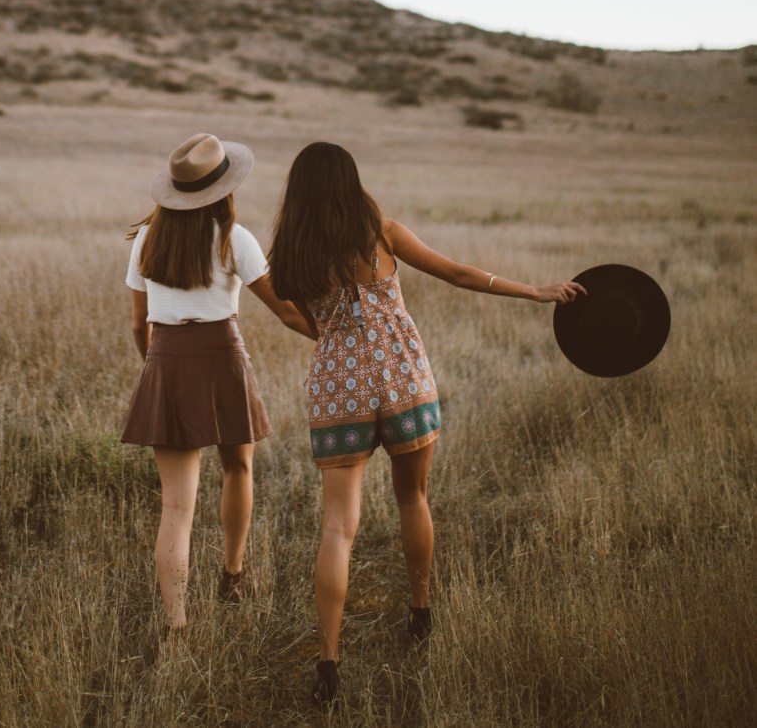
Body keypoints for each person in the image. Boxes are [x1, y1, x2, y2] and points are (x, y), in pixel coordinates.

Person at [268, 142, 585, 705]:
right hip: (402, 377)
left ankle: (328, 664)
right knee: (413, 497)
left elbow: (295, 312)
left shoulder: (289, 252)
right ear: (351, 182)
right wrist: (535, 291)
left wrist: (338, 342)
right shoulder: (382, 232)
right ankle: (420, 611)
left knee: (339, 527)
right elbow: (458, 273)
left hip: (338, 385)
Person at [123, 133, 315, 632]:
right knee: (238, 469)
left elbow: (137, 323)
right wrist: (335, 335)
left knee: (175, 506)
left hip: (166, 358)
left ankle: (177, 625)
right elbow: (286, 313)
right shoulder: (235, 238)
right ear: (222, 189)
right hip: (223, 358)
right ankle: (232, 573)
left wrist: (156, 368)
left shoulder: (148, 239)